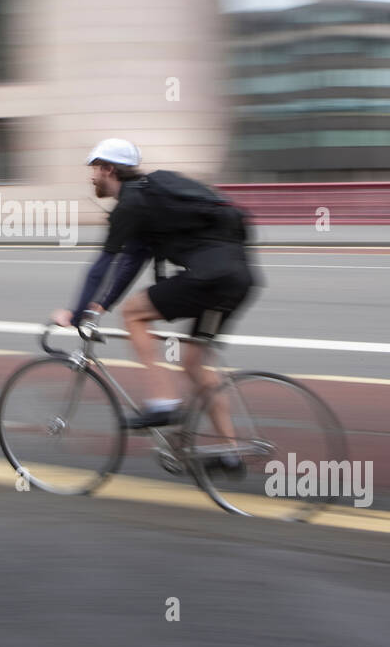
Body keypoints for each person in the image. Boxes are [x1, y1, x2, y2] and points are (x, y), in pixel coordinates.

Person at [50, 139, 258, 443]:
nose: (92, 176)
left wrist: (76, 312)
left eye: (95, 168)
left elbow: (102, 265)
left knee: (134, 314)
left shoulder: (130, 205)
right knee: (194, 364)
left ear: (109, 169)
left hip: (208, 278)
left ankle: (162, 402)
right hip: (238, 279)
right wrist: (100, 306)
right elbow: (131, 261)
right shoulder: (151, 199)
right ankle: (231, 451)